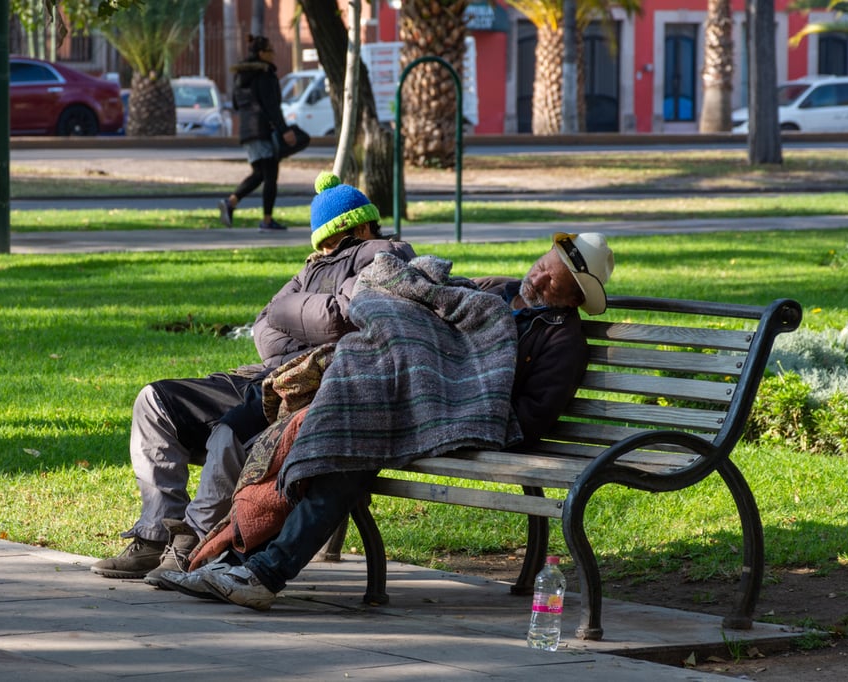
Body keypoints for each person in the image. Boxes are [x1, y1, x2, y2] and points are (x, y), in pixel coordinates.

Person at [161, 232, 616, 610]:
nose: (536, 277)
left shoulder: (563, 341)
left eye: (551, 280)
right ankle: (247, 562)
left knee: (355, 445)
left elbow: (531, 417)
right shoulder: (496, 290)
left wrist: (456, 391)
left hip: (460, 417)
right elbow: (424, 312)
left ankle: (261, 569)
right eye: (540, 265)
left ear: (574, 296)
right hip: (402, 392)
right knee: (337, 427)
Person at [91, 172, 416, 585]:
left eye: (341, 234)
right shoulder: (312, 267)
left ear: (365, 225)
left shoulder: (383, 255)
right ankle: (157, 533)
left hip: (310, 384)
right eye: (326, 240)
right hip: (266, 373)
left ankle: (191, 540)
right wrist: (296, 314)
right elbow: (265, 333)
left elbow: (341, 317)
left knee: (230, 434)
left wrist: (288, 312)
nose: (331, 246)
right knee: (154, 402)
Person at [218, 35, 296, 232]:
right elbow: (272, 106)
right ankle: (267, 221)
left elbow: (236, 104)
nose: (274, 54)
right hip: (262, 129)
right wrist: (284, 129)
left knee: (261, 173)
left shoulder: (241, 76)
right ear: (262, 53)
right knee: (270, 174)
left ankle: (231, 203)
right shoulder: (265, 75)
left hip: (247, 130)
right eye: (271, 51)